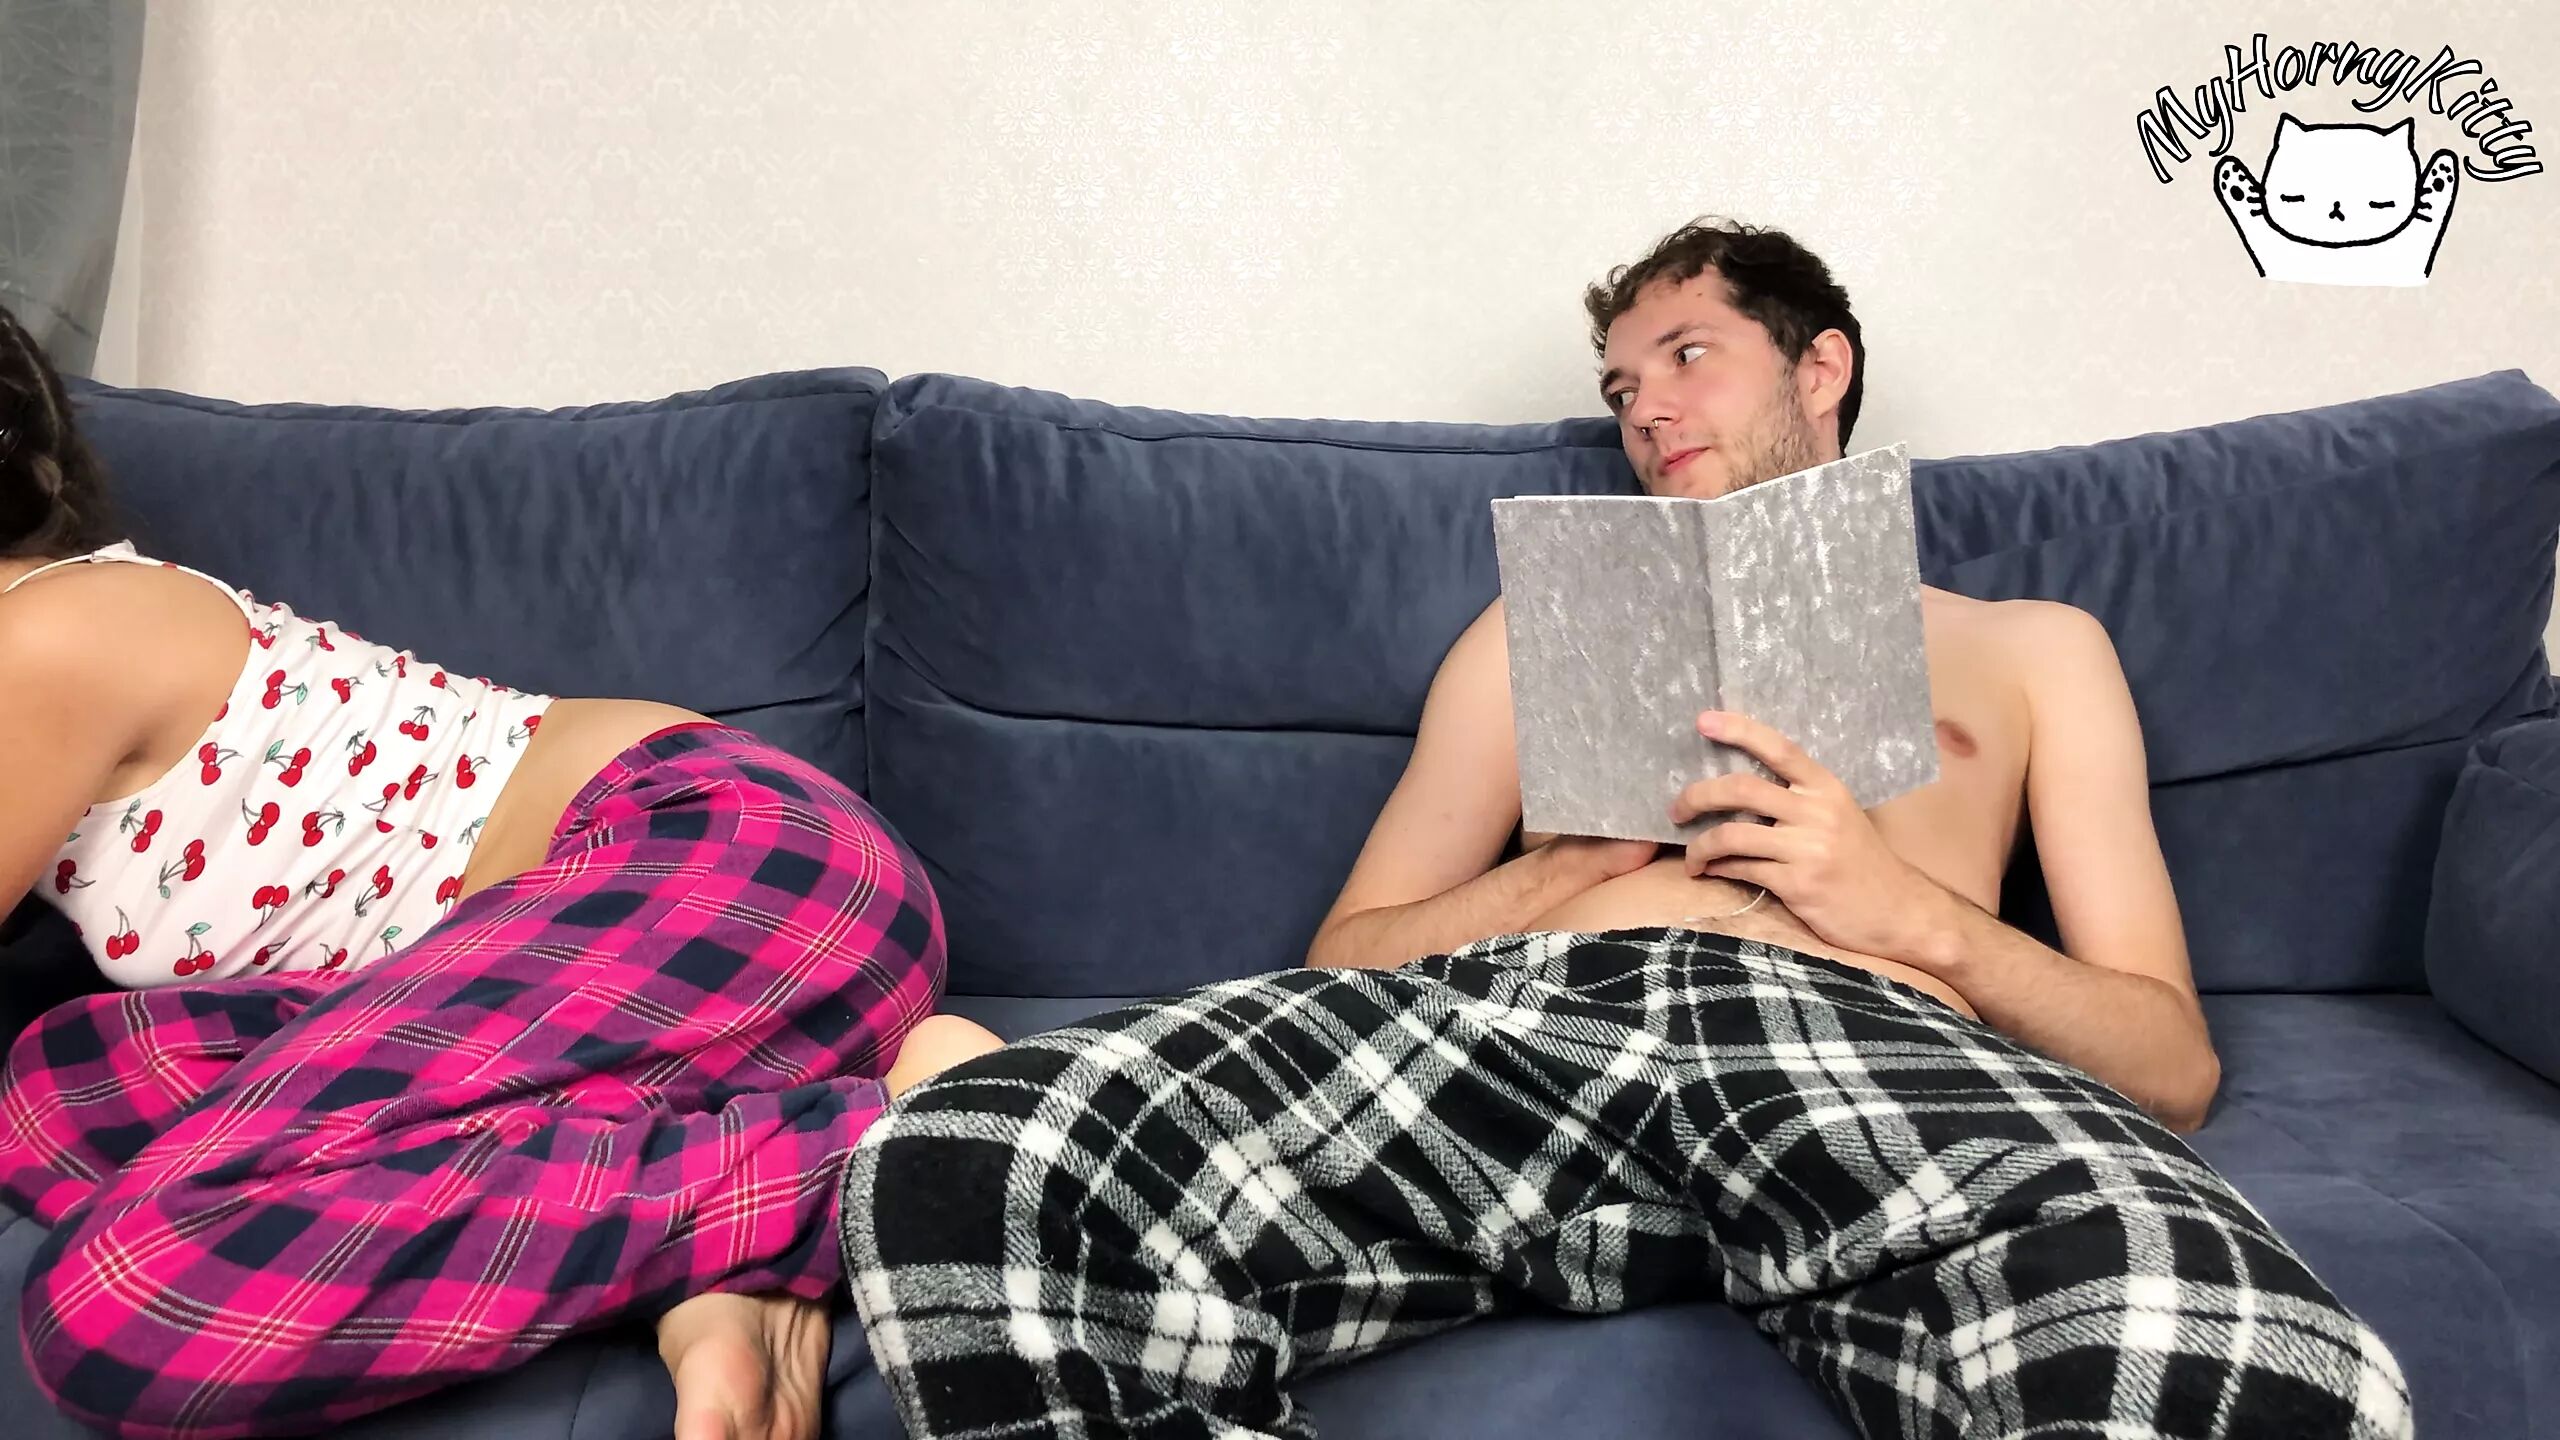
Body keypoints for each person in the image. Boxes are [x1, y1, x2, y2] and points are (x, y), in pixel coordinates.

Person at [835, 219, 2413, 1438]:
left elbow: (2171, 1067)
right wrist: (1549, 877)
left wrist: (1906, 911)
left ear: (1821, 367)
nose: (1645, 409)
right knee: (970, 1160)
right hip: (1522, 1025)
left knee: (2228, 1334)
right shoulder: (1521, 641)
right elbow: (1345, 955)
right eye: (1619, 387)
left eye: (1686, 356)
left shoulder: (2032, 650)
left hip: (1860, 1037)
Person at [0, 302, 1004, 1440]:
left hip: (732, 868)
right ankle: (725, 1243)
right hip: (661, 996)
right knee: (63, 1087)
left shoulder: (46, 631)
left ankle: (901, 1138)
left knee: (125, 1302)